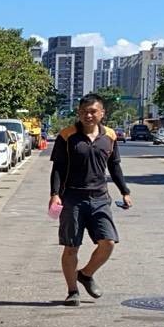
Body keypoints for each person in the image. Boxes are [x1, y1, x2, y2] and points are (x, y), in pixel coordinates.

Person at [49, 93, 132, 306]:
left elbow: (114, 166)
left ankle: (85, 274)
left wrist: (125, 191)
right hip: (73, 198)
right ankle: (72, 291)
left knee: (108, 242)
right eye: (84, 111)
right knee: (71, 247)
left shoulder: (110, 136)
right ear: (78, 113)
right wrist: (55, 194)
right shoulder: (67, 135)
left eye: (93, 111)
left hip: (100, 198)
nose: (88, 115)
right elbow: (58, 167)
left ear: (102, 113)